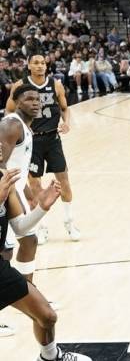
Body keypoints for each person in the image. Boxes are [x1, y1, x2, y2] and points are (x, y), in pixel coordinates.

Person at [0, 164, 90, 360]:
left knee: (47, 317)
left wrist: (42, 208)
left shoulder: (4, 179)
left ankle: (50, 357)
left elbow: (20, 229)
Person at [6, 55, 78, 246]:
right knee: (35, 184)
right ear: (29, 66)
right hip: (33, 141)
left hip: (53, 138)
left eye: (43, 63)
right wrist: (19, 128)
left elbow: (64, 108)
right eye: (36, 63)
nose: (40, 66)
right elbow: (8, 111)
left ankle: (69, 222)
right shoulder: (20, 86)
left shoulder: (56, 84)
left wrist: (66, 123)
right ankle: (42, 226)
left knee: (64, 181)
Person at [0, 84, 44, 287]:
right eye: (29, 99)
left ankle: (27, 292)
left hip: (15, 191)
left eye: (37, 99)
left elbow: (17, 164)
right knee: (5, 252)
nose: (35, 102)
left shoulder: (25, 127)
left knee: (29, 240)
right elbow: (0, 164)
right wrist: (10, 195)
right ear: (17, 102)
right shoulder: (12, 125)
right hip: (5, 194)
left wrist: (28, 192)